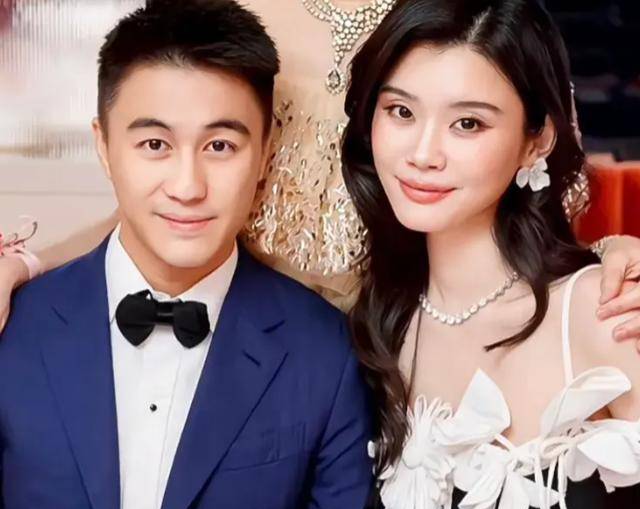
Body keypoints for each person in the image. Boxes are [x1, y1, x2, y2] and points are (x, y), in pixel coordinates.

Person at [0, 0, 405, 509]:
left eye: (220, 146)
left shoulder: (319, 352)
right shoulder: (17, 328)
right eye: (154, 144)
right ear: (103, 146)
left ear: (265, 150)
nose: (187, 186)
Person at [340, 0, 640, 509]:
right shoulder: (374, 327)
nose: (423, 153)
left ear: (537, 138)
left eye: (468, 123)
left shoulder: (606, 312)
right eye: (400, 112)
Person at [2, 0, 640, 318]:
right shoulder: (218, 13)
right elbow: (166, 201)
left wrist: (612, 256)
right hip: (261, 358)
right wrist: (25, 265)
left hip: (417, 355)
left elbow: (534, 196)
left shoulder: (469, 17)